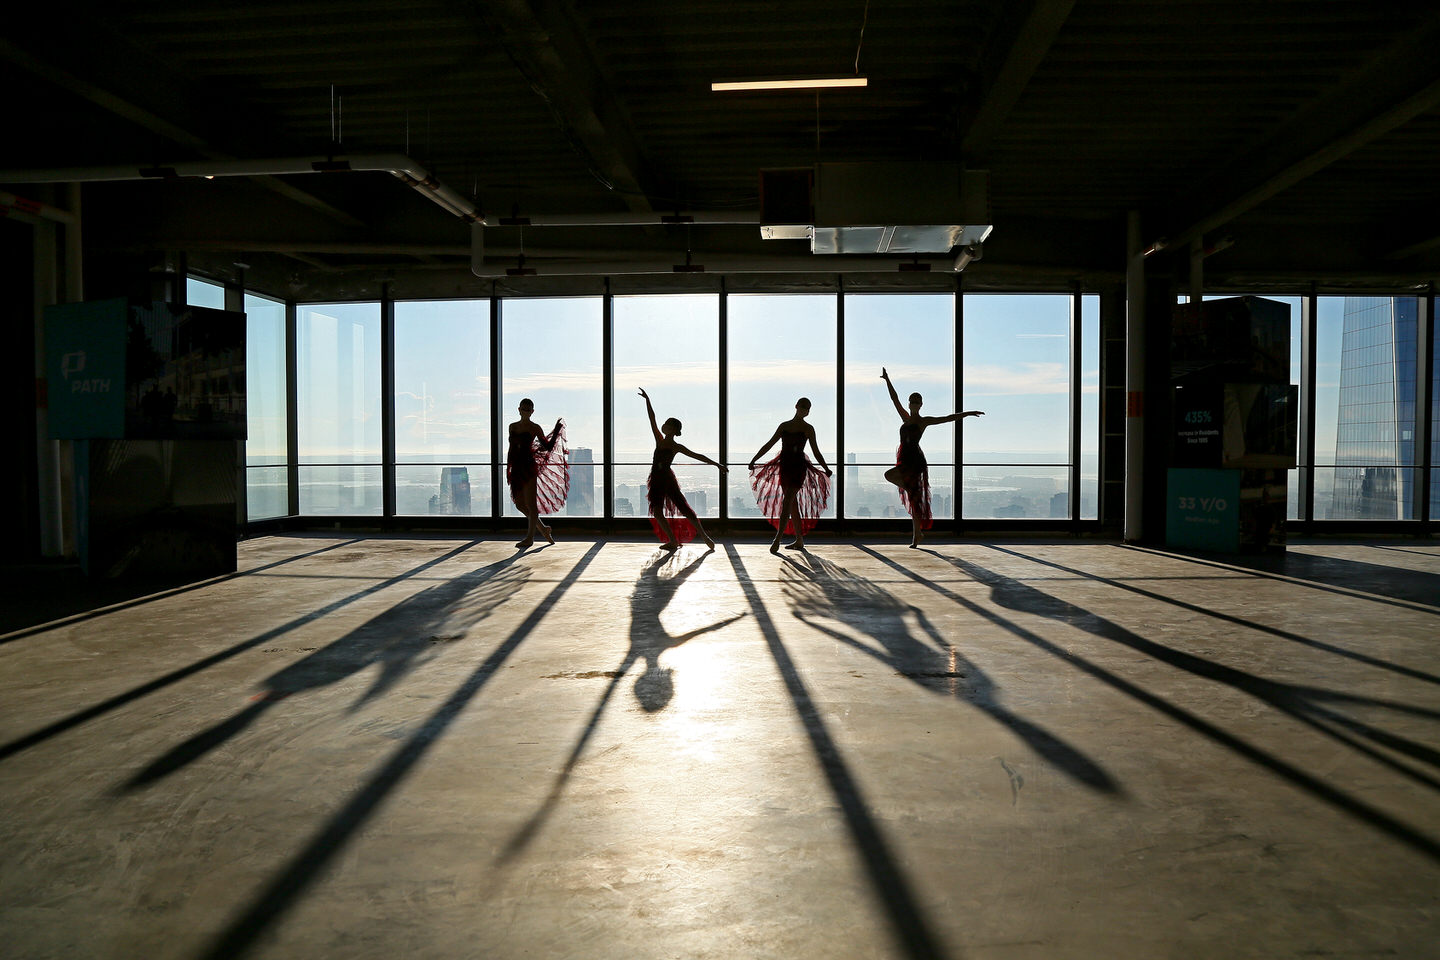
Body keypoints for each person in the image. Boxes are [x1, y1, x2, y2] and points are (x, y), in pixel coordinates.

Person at [880, 367, 984, 547]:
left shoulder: (923, 421)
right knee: (891, 477)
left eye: (916, 402)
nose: (913, 404)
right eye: (911, 401)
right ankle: (917, 532)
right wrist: (887, 380)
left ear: (920, 405)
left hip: (915, 461)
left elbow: (947, 418)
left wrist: (966, 413)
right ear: (909, 403)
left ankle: (916, 536)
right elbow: (894, 399)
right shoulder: (905, 418)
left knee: (914, 500)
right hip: (904, 459)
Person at [638, 388, 726, 551]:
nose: (663, 425)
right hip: (658, 478)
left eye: (667, 423)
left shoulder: (674, 446)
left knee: (682, 508)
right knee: (659, 512)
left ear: (671, 429)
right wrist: (647, 400)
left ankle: (704, 536)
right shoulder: (660, 440)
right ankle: (673, 540)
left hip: (664, 478)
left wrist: (717, 464)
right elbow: (652, 418)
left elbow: (697, 456)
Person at [748, 397, 832, 553]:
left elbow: (816, 451)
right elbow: (769, 444)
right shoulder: (784, 426)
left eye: (808, 408)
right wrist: (754, 459)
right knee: (792, 504)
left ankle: (777, 539)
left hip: (798, 468)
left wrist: (826, 468)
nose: (805, 410)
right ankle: (799, 540)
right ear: (796, 406)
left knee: (787, 502)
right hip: (785, 467)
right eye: (803, 407)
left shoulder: (808, 428)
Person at [506, 398, 568, 549]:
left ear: (532, 412)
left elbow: (547, 447)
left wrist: (556, 432)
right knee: (520, 504)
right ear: (519, 409)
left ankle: (530, 538)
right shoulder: (512, 426)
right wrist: (509, 468)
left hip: (528, 467)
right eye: (523, 409)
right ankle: (544, 529)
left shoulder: (535, 428)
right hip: (517, 468)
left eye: (529, 410)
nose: (526, 412)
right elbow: (511, 449)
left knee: (531, 505)